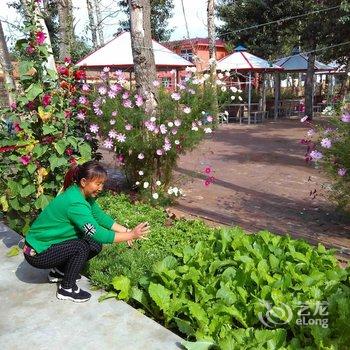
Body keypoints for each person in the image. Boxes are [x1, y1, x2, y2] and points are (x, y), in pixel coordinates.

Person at [23, 161, 150, 303]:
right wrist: (132, 235)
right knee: (81, 246)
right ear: (84, 182)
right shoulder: (76, 203)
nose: (101, 188)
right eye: (98, 184)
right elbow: (99, 234)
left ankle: (59, 271)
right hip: (37, 253)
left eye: (102, 184)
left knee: (93, 244)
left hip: (44, 246)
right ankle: (67, 289)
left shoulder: (80, 193)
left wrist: (127, 231)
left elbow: (100, 217)